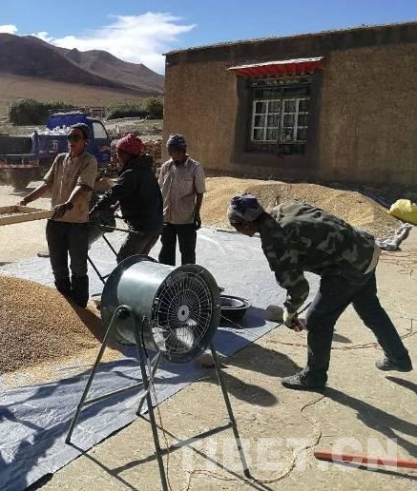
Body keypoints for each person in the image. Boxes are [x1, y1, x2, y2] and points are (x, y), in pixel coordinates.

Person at [227, 193, 413, 391]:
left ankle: (314, 376)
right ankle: (398, 358)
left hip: (347, 269)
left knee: (317, 320)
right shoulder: (286, 207)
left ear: (244, 224)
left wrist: (290, 312)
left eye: (234, 226)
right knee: (370, 309)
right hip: (366, 248)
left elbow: (299, 288)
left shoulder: (275, 242)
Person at [19, 122, 97, 307]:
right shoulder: (61, 159)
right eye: (69, 137)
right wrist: (26, 200)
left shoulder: (89, 161)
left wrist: (68, 204)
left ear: (85, 141)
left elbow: (83, 186)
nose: (71, 141)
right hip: (55, 221)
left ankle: (80, 306)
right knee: (58, 267)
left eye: (76, 137)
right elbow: (47, 184)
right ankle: (66, 305)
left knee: (78, 267)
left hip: (77, 223)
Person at [89, 133, 163, 262]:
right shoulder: (144, 169)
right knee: (139, 262)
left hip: (142, 227)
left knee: (124, 261)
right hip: (155, 225)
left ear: (126, 154)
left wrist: (94, 211)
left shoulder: (131, 173)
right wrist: (115, 207)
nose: (117, 157)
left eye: (118, 153)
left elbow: (113, 193)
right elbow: (135, 193)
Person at [158, 133, 206, 266]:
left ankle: (188, 277)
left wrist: (197, 214)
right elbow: (160, 189)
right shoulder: (166, 167)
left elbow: (200, 192)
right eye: (169, 152)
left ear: (182, 151)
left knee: (187, 253)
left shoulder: (195, 168)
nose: (171, 155)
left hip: (186, 219)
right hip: (167, 218)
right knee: (166, 253)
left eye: (173, 152)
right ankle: (169, 277)